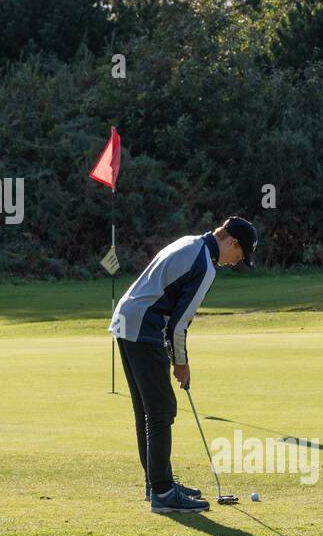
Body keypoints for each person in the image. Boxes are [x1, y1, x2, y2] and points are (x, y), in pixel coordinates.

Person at [109, 216, 258, 514]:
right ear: (232, 242)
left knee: (148, 410)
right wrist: (181, 362)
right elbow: (179, 323)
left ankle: (157, 482)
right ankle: (163, 492)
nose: (235, 262)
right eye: (239, 256)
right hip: (143, 327)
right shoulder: (204, 265)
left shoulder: (190, 243)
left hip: (126, 321)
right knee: (161, 411)